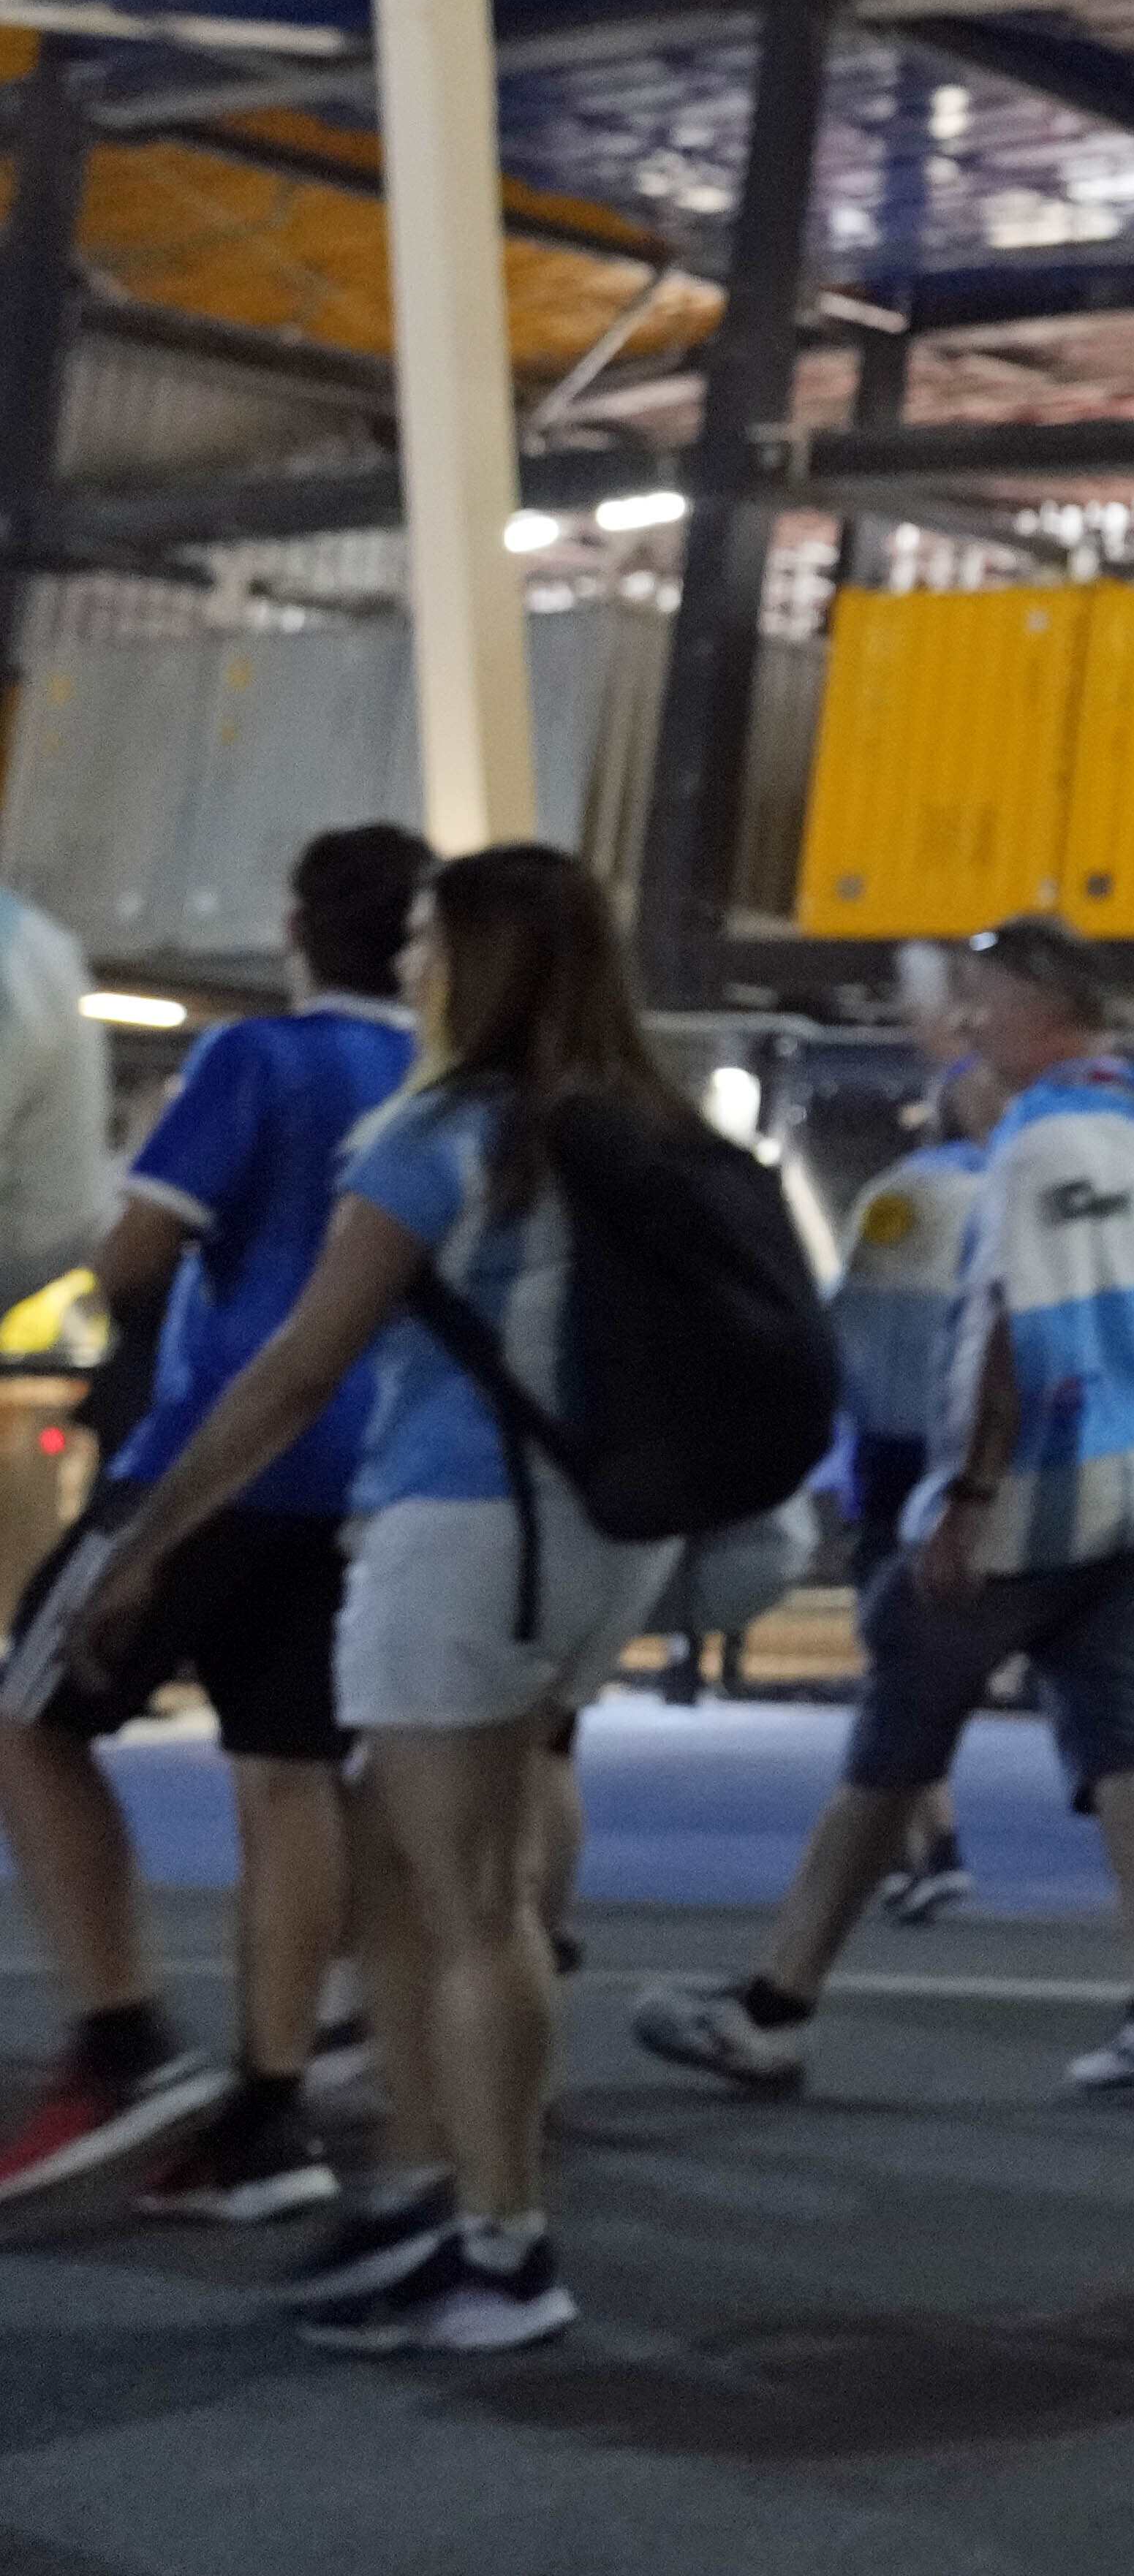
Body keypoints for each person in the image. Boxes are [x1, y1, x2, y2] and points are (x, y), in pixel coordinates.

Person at [75, 844, 696, 2354]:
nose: (413, 962)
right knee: (419, 1879)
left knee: (467, 1905)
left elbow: (297, 1369)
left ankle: (500, 2241)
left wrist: (150, 1535)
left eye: (432, 940)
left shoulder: (436, 1135)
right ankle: (428, 2190)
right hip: (601, 1541)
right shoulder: (637, 1126)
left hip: (460, 1531)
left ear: (471, 961)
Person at [631, 916, 1134, 2110]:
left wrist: (965, 1499)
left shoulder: (1031, 1145)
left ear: (1042, 1003)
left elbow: (1012, 1324)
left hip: (1021, 1506)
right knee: (1121, 1743)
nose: (962, 1025)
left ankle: (773, 2010)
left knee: (887, 1756)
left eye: (982, 999)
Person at [0, 827, 428, 2221]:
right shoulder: (444, 1083)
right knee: (287, 1770)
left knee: (31, 1718)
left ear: (298, 928)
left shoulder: (259, 1062)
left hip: (213, 1462)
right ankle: (268, 2104)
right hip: (367, 1472)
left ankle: (120, 2035)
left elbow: (132, 1257)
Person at [821, 980, 992, 1925]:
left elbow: (859, 1320)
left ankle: (937, 1847)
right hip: (994, 1462)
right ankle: (927, 1844)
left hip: (906, 1458)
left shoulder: (904, 1199)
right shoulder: (1022, 1195)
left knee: (899, 1667)